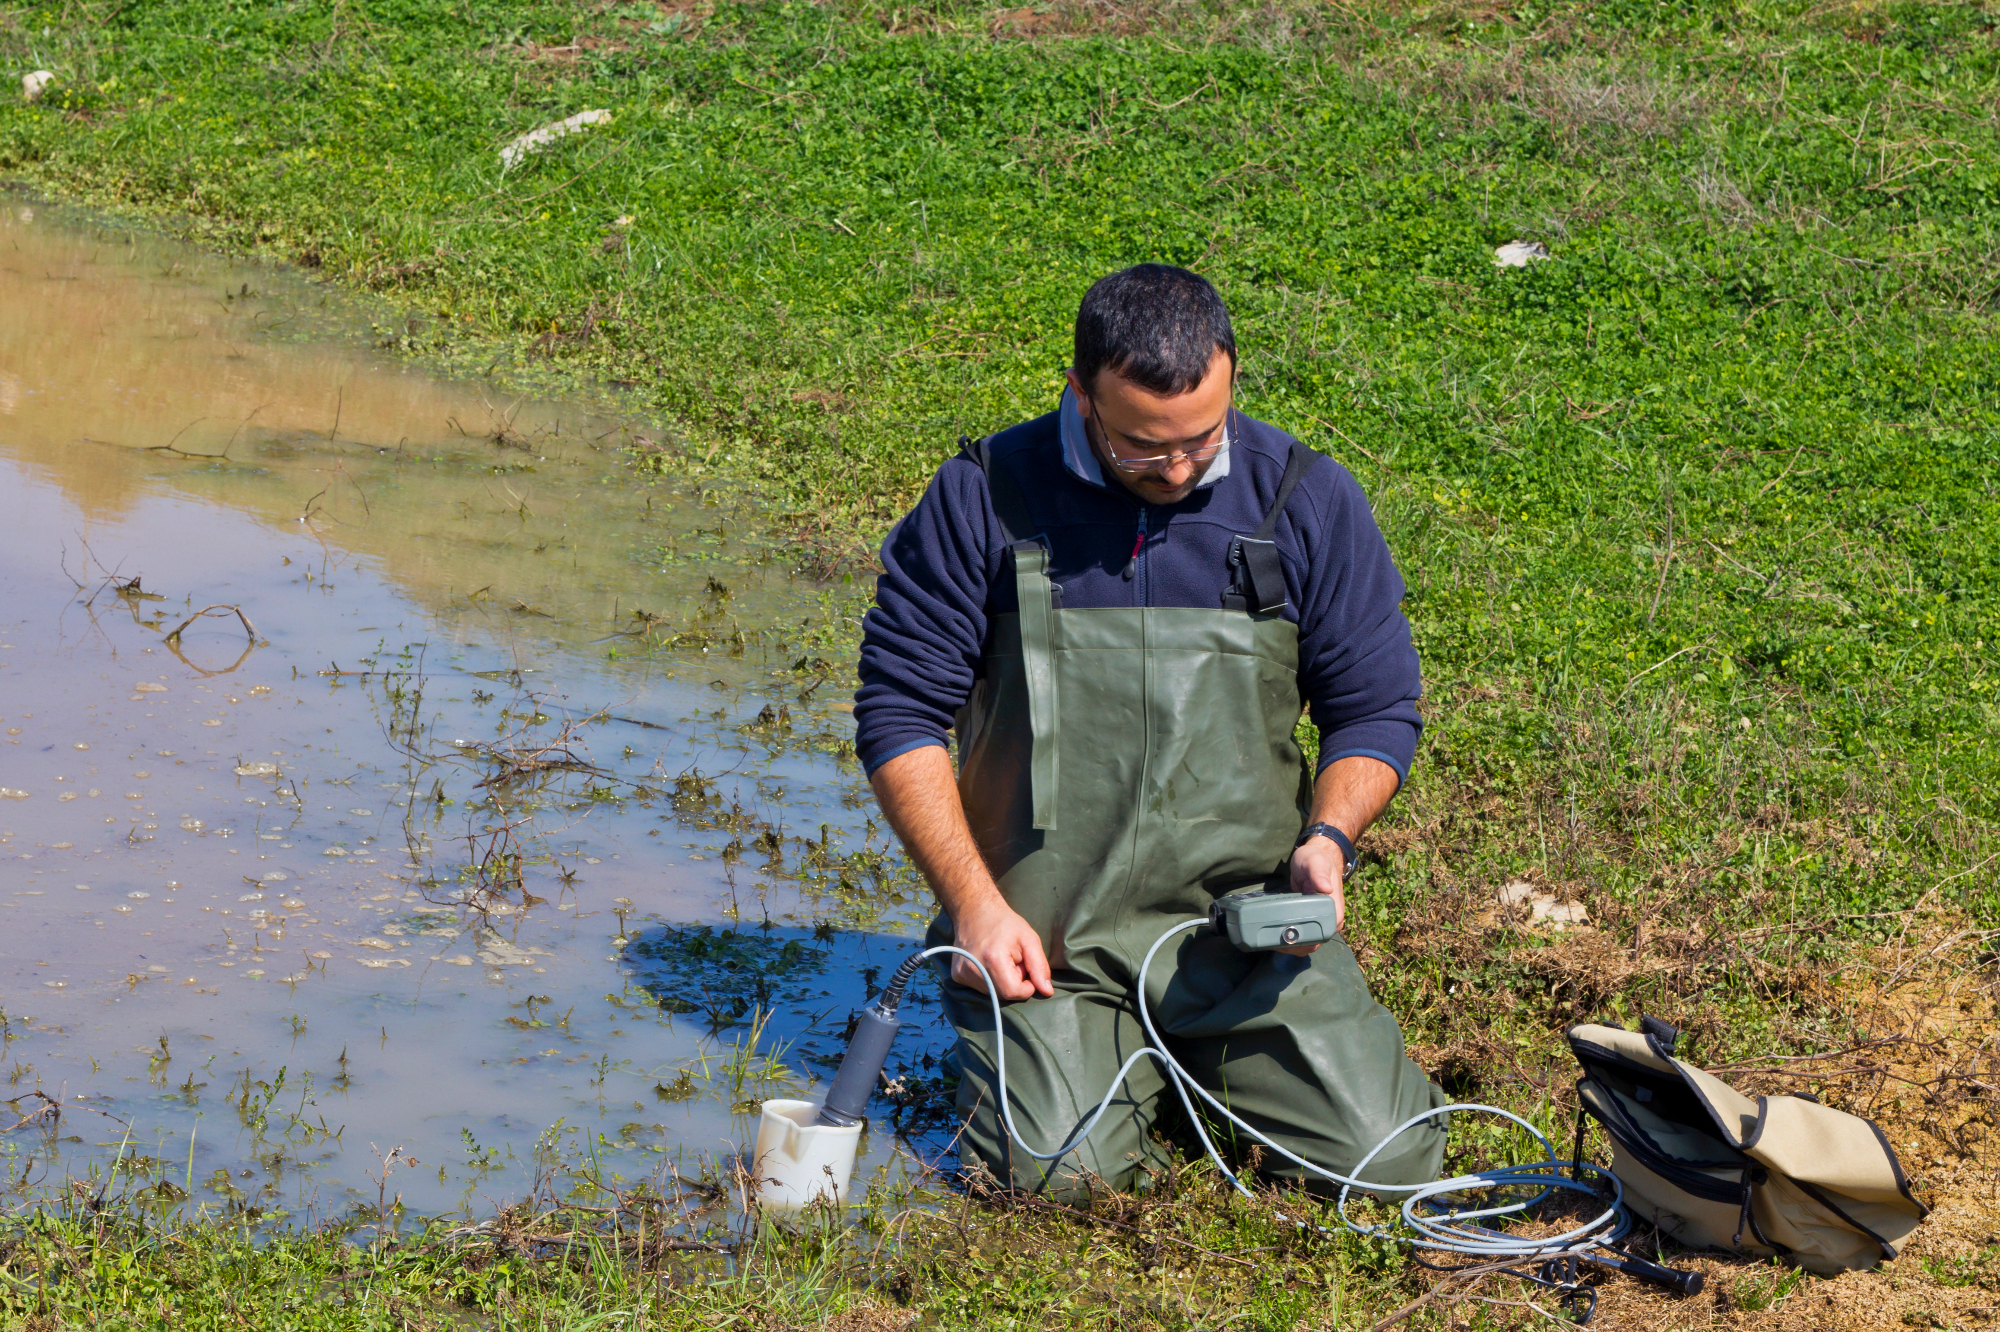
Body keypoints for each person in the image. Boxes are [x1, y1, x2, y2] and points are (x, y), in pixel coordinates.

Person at [854, 264, 1445, 1197]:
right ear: (1080, 392)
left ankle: (1192, 1065)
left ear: (1232, 382)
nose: (1174, 470)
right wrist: (974, 904)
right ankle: (1108, 1066)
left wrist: (1329, 839)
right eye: (1140, 447)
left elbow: (1374, 708)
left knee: (1394, 1167)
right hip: (1048, 948)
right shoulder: (983, 498)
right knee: (1052, 1183)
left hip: (1244, 944)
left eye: (1202, 440)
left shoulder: (1306, 497)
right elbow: (899, 716)